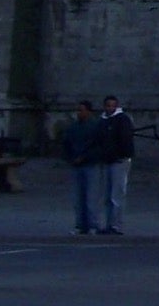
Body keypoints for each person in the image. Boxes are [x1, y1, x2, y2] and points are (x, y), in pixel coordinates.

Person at [59, 100, 102, 235]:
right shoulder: (74, 127)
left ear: (89, 111)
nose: (79, 113)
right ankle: (81, 225)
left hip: (90, 164)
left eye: (82, 110)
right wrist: (71, 158)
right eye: (78, 110)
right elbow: (66, 144)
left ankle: (92, 224)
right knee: (78, 198)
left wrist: (83, 157)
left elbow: (96, 146)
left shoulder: (95, 126)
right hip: (77, 164)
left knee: (90, 197)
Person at [97, 94, 135, 234]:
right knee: (107, 195)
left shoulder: (122, 119)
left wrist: (123, 155)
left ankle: (116, 225)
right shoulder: (103, 120)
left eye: (113, 106)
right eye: (108, 106)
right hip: (107, 161)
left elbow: (125, 140)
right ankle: (109, 224)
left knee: (117, 195)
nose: (110, 108)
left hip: (119, 160)